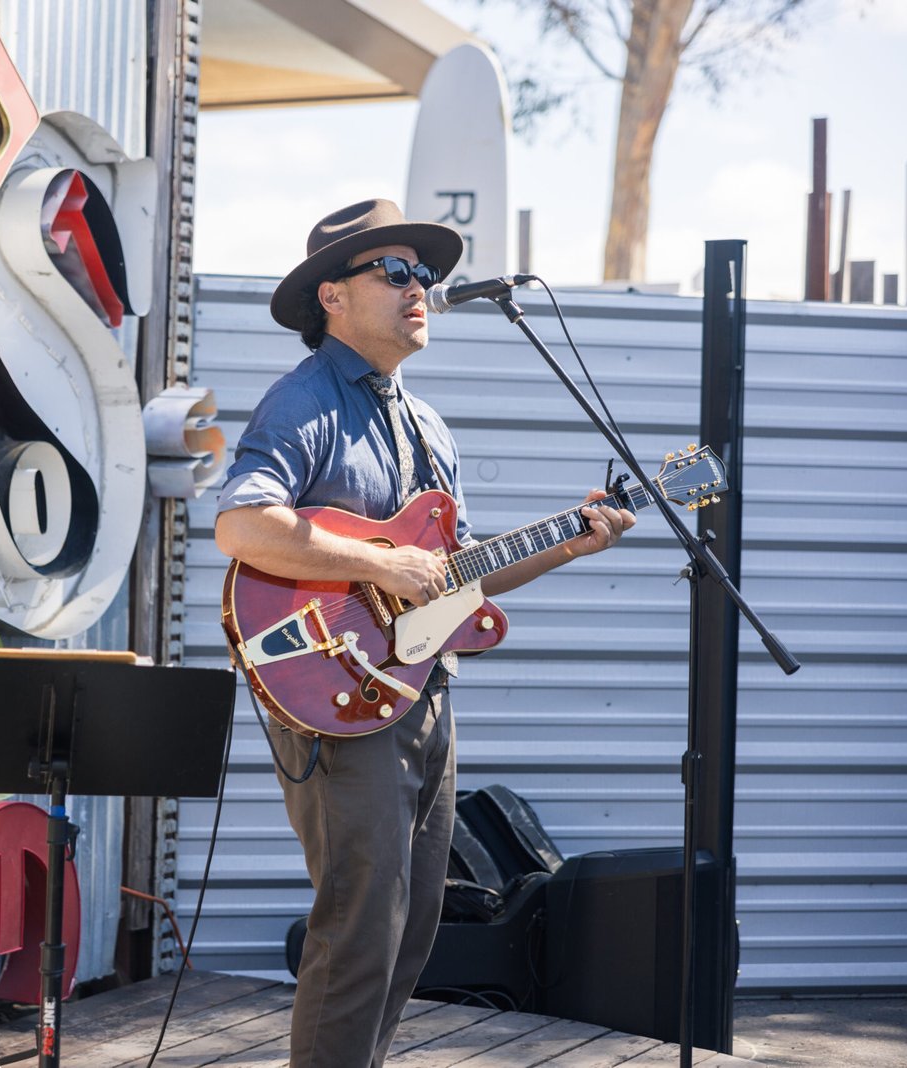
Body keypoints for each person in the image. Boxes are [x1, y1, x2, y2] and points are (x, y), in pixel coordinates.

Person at [214, 199, 635, 1067]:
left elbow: (453, 574)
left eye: (427, 277)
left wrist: (572, 538)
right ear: (332, 296)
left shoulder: (425, 423)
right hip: (336, 694)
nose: (421, 292)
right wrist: (375, 567)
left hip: (420, 692)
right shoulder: (303, 403)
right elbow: (243, 527)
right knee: (361, 923)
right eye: (396, 274)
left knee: (414, 926)